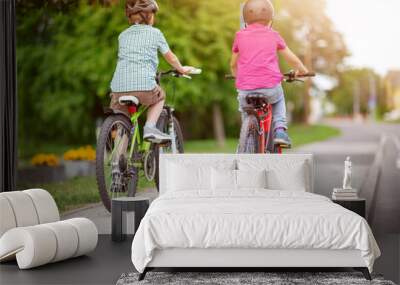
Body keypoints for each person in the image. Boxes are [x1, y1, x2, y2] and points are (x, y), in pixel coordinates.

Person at [110, 0, 194, 143]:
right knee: (160, 96)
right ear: (148, 16)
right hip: (144, 86)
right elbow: (170, 57)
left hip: (118, 89)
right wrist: (182, 69)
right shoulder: (155, 33)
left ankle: (118, 162)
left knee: (123, 125)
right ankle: (149, 128)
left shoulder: (122, 35)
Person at [231, 0, 309, 147]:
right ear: (270, 20)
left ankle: (245, 140)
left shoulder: (239, 36)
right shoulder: (273, 35)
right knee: (279, 99)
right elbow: (292, 58)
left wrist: (237, 76)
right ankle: (280, 130)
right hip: (270, 88)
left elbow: (233, 64)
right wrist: (303, 70)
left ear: (246, 19)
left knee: (246, 111)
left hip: (245, 91)